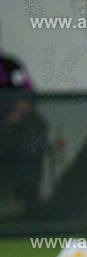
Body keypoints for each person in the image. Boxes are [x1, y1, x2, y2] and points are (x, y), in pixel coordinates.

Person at [0, 43, 47, 218]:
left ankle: (31, 209)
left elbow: (27, 96)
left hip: (13, 132)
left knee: (36, 125)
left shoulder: (10, 66)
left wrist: (14, 115)